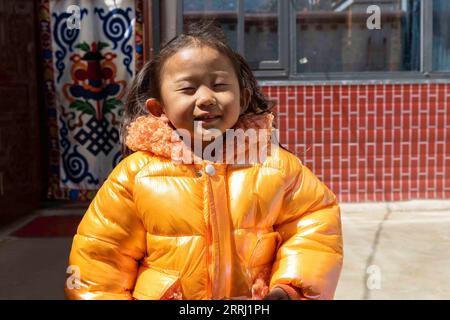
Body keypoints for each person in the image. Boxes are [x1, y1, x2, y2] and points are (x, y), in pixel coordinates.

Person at [64, 21, 343, 300]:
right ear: (159, 108)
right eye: (187, 89)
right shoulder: (135, 176)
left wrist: (290, 288)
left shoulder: (277, 165)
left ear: (243, 97)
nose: (206, 98)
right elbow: (99, 263)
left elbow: (316, 228)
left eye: (219, 85)